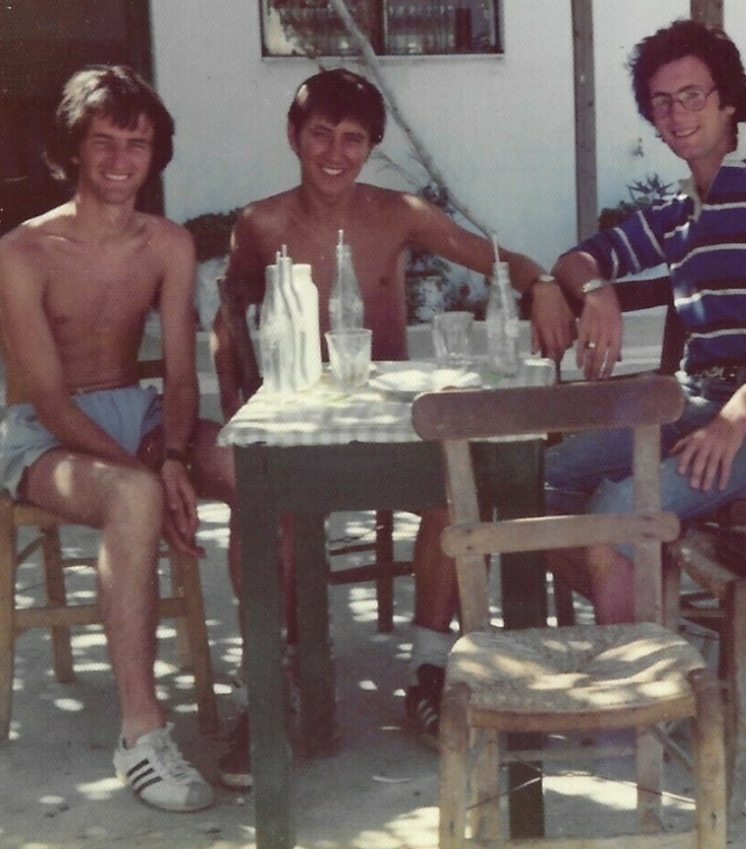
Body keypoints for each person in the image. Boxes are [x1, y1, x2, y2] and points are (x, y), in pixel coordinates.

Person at [210, 68, 573, 780]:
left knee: (454, 483)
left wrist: (546, 284)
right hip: (304, 426)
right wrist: (238, 412)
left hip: (388, 419)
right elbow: (230, 321)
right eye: (320, 133)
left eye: (353, 138)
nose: (335, 153)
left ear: (372, 145)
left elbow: (496, 258)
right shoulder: (258, 223)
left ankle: (431, 666)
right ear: (294, 136)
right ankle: (272, 681)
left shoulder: (399, 212)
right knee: (260, 512)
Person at [0, 65, 238, 812]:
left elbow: (178, 376)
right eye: (103, 142)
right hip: (44, 434)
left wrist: (170, 452)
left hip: (139, 417)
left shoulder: (167, 243)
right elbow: (47, 398)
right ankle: (141, 733)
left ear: (154, 153)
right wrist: (150, 471)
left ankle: (285, 684)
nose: (119, 160)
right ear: (74, 150)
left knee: (248, 462)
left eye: (136, 143)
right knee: (135, 497)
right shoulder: (21, 251)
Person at [542, 18, 746, 623]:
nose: (676, 114)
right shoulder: (675, 213)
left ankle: (632, 705)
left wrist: (734, 421)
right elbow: (579, 260)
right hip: (690, 403)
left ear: (730, 101)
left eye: (692, 95)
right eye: (661, 102)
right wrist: (596, 291)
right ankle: (653, 629)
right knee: (548, 480)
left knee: (619, 510)